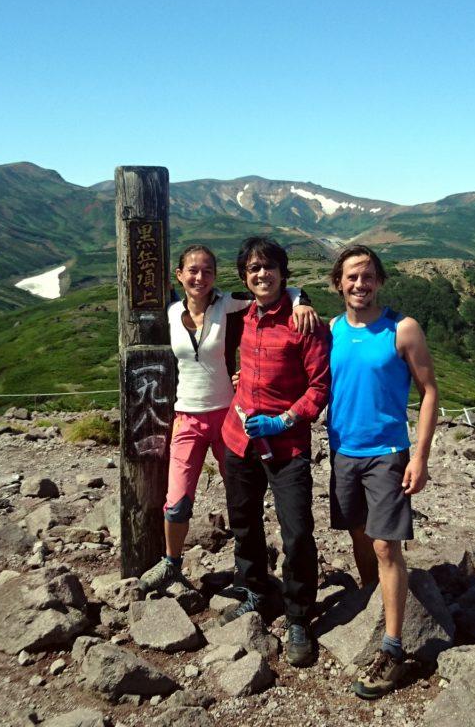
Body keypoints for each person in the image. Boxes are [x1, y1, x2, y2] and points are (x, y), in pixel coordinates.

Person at [138, 244, 318, 593]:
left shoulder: (228, 304)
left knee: (241, 501)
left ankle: (249, 576)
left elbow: (270, 292)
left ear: (216, 276)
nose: (199, 277)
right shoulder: (172, 312)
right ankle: (172, 563)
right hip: (186, 416)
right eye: (192, 270)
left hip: (228, 416)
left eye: (207, 270)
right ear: (179, 274)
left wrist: (301, 299)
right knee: (177, 500)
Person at [325, 245, 438, 699]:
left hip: (388, 452)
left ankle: (393, 649)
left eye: (368, 276)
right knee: (357, 531)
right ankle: (375, 598)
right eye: (352, 276)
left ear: (379, 281)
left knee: (386, 545)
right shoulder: (330, 329)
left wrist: (420, 457)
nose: (360, 284)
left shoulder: (402, 329)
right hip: (342, 452)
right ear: (338, 283)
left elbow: (430, 391)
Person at [219, 236, 331, 668]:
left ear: (283, 273)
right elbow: (193, 300)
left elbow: (319, 387)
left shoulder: (306, 323)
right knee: (244, 521)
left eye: (268, 267)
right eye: (252, 269)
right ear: (244, 278)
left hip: (285, 446)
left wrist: (284, 420)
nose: (260, 275)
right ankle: (256, 592)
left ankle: (299, 614)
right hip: (238, 438)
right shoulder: (244, 316)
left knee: (297, 531)